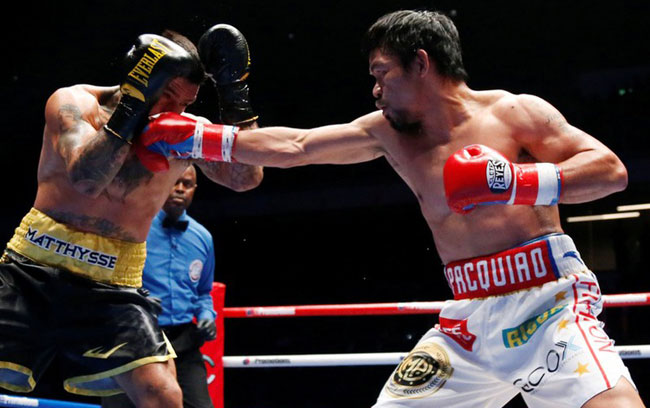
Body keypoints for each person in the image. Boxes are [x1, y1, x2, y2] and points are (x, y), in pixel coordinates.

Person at [137, 10, 645, 408]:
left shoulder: (514, 112)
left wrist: (514, 183)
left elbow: (609, 170)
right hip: (468, 319)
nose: (375, 89)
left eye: (382, 73)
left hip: (548, 303)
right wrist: (197, 136)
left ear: (421, 63)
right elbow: (295, 146)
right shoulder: (387, 132)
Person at [0, 26, 262, 408]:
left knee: (163, 394)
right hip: (33, 267)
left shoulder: (183, 131)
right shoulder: (75, 103)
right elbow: (88, 179)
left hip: (112, 284)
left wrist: (234, 93)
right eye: (167, 94)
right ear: (139, 77)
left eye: (186, 102)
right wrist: (133, 106)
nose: (175, 111)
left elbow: (244, 178)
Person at [102, 164, 217, 408]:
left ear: (194, 189)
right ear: (162, 183)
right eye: (175, 182)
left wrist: (206, 315)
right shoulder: (134, 226)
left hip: (184, 341)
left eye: (187, 184)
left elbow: (204, 292)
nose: (180, 189)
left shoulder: (203, 238)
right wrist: (136, 299)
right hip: (136, 336)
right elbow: (109, 279)